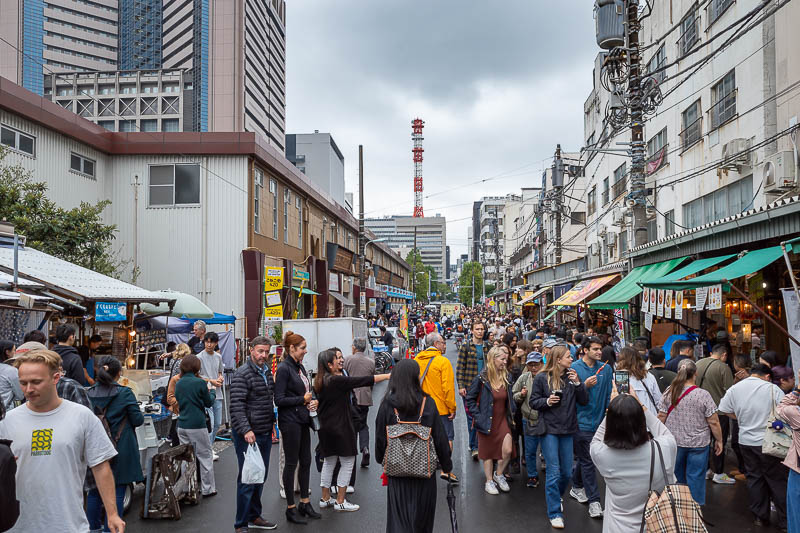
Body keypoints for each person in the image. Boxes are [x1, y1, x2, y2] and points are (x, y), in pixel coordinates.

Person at [0, 349, 123, 532]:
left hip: (68, 524)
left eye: (36, 382)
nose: (28, 389)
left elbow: (100, 466)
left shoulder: (82, 416)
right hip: (18, 526)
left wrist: (112, 514)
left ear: (56, 378)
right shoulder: (6, 421)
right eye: (23, 383)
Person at [375, 359, 452, 533]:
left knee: (399, 519)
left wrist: (380, 458)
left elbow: (380, 436)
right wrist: (446, 465)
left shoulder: (387, 404)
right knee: (422, 520)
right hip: (424, 472)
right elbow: (440, 437)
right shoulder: (428, 403)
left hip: (396, 471)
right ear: (416, 377)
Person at [591, 391, 677, 533]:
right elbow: (664, 432)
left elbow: (596, 440)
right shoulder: (663, 448)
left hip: (616, 527)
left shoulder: (602, 455)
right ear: (641, 421)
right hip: (657, 525)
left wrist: (614, 408)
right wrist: (642, 407)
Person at [315, 349, 390, 512]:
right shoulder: (336, 380)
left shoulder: (321, 380)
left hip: (326, 428)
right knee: (348, 462)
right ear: (329, 364)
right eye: (338, 358)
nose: (341, 360)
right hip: (340, 427)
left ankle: (325, 498)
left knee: (329, 461)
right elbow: (364, 380)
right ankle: (341, 501)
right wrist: (388, 376)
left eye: (342, 357)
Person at [719, 364, 788, 529]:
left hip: (746, 441)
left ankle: (759, 516)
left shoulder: (735, 389)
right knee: (776, 479)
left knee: (754, 478)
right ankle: (785, 520)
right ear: (767, 376)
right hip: (770, 441)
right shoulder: (773, 389)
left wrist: (740, 418)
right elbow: (784, 412)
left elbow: (723, 409)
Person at [529, 345, 589, 529]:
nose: (572, 359)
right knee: (554, 471)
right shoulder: (541, 378)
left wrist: (579, 384)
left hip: (568, 428)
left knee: (566, 472)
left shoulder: (572, 377)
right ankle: (555, 512)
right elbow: (533, 401)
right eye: (568, 357)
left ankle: (557, 496)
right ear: (558, 360)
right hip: (549, 429)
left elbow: (584, 401)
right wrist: (547, 402)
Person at [86, 356, 144, 532]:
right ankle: (111, 529)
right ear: (119, 373)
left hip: (95, 446)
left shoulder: (87, 393)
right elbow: (138, 419)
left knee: (95, 491)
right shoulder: (125, 393)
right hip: (121, 445)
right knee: (117, 489)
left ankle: (93, 529)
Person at [656, 359, 723, 507]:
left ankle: (678, 506)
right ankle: (695, 507)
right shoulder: (703, 394)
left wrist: (656, 436)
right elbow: (714, 422)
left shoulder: (669, 391)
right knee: (696, 476)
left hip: (675, 442)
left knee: (676, 475)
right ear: (695, 374)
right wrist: (719, 440)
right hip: (699, 443)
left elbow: (661, 416)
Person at [229, 336, 277, 532]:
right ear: (251, 350)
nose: (263, 355)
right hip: (247, 434)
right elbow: (237, 405)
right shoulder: (242, 374)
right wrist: (246, 429)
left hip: (264, 431)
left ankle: (254, 516)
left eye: (266, 351)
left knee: (260, 475)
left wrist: (272, 424)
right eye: (260, 351)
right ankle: (241, 524)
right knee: (248, 478)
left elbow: (268, 401)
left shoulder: (267, 372)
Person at [274, 331, 319, 524]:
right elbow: (279, 399)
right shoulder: (284, 369)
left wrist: (312, 401)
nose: (305, 351)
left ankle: (305, 502)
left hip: (302, 419)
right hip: (289, 421)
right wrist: (302, 400)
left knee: (306, 460)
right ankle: (290, 508)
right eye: (302, 348)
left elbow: (308, 391)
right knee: (292, 463)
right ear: (291, 348)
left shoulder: (299, 367)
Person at [569, 336, 613, 519]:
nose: (599, 352)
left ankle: (576, 485)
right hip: (581, 421)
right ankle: (594, 501)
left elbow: (611, 391)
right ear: (585, 350)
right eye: (595, 349)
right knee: (588, 460)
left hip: (601, 421)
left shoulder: (607, 368)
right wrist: (584, 386)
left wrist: (610, 411)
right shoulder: (574, 369)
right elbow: (568, 396)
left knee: (588, 459)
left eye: (600, 349)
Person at [465, 346, 515, 495]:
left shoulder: (508, 377)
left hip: (502, 420)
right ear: (493, 359)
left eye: (506, 359)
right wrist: (478, 417)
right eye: (502, 359)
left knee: (508, 450)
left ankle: (498, 474)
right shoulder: (481, 379)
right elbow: (470, 399)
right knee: (488, 454)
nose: (505, 362)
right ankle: (489, 481)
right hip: (486, 420)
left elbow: (510, 398)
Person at [416, 332, 458, 483]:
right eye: (443, 343)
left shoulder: (417, 359)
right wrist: (452, 407)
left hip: (421, 407)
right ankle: (445, 469)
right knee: (447, 438)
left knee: (425, 438)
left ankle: (426, 467)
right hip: (440, 408)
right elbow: (448, 388)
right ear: (435, 344)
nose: (445, 345)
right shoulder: (442, 362)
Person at [174, 353, 217, 497]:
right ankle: (208, 488)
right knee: (205, 456)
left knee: (187, 458)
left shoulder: (179, 382)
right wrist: (212, 391)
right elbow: (208, 402)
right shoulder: (199, 383)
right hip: (197, 424)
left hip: (182, 424)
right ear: (196, 367)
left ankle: (187, 488)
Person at [695, 343, 736, 485]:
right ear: (724, 355)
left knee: (704, 441)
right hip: (719, 412)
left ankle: (706, 470)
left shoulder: (698, 363)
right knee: (719, 442)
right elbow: (730, 391)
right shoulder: (723, 367)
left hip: (700, 410)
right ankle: (718, 472)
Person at [456, 320, 490, 460]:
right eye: (477, 329)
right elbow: (460, 368)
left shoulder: (488, 346)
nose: (480, 331)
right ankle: (474, 446)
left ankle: (478, 443)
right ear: (472, 331)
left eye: (482, 329)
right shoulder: (466, 346)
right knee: (472, 418)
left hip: (485, 387)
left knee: (483, 416)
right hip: (470, 387)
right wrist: (461, 386)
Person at [512, 350, 544, 488]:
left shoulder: (547, 377)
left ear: (542, 364)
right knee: (530, 451)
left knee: (549, 451)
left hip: (546, 420)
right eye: (531, 365)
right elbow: (514, 394)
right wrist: (521, 394)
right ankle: (532, 475)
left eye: (536, 364)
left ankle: (553, 475)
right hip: (529, 419)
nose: (534, 367)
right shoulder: (524, 378)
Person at [343, 337, 375, 468]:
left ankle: (351, 453)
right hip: (365, 398)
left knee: (350, 426)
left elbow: (344, 376)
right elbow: (372, 379)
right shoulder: (370, 362)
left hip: (351, 398)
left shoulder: (347, 360)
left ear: (355, 347)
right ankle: (365, 448)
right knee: (363, 425)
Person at [776, 372, 800, 533]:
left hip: (798, 468)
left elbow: (781, 407)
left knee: (795, 510)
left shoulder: (796, 413)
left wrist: (797, 390)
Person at [198, 331, 224, 453]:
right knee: (211, 424)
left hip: (217, 393)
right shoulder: (199, 357)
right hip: (205, 394)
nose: (208, 345)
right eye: (206, 342)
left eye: (211, 342)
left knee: (218, 424)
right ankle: (207, 450)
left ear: (216, 343)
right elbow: (197, 376)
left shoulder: (218, 357)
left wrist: (220, 378)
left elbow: (220, 372)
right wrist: (211, 381)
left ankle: (209, 447)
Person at [615, 347, 661, 412]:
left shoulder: (621, 375)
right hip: (649, 414)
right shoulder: (648, 375)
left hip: (630, 416)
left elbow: (622, 401)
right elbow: (658, 400)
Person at [0, 341, 23, 412]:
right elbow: (20, 395)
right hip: (5, 411)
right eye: (14, 350)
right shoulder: (11, 370)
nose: (15, 353)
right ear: (7, 352)